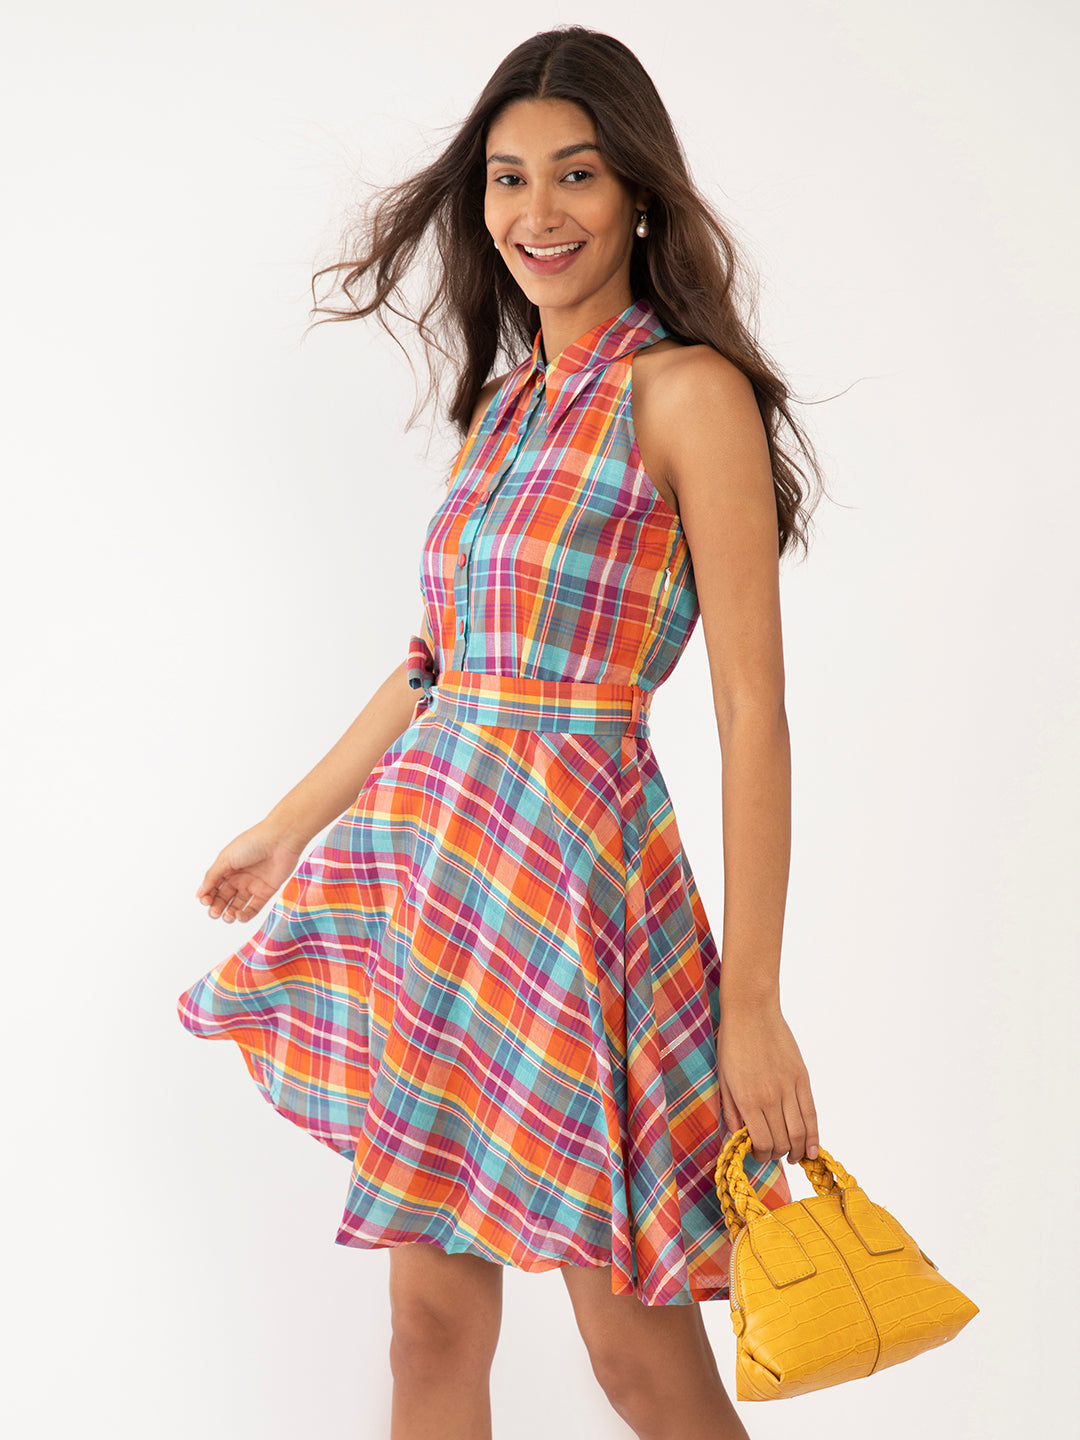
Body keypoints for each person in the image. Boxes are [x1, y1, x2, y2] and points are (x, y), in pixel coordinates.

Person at [177, 24, 829, 1440]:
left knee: (638, 1363)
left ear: (639, 194)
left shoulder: (686, 393)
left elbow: (752, 711)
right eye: (508, 177)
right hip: (442, 882)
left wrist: (754, 1004)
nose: (540, 211)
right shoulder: (501, 408)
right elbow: (437, 668)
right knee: (426, 1333)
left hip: (579, 893)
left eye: (577, 174)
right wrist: (288, 827)